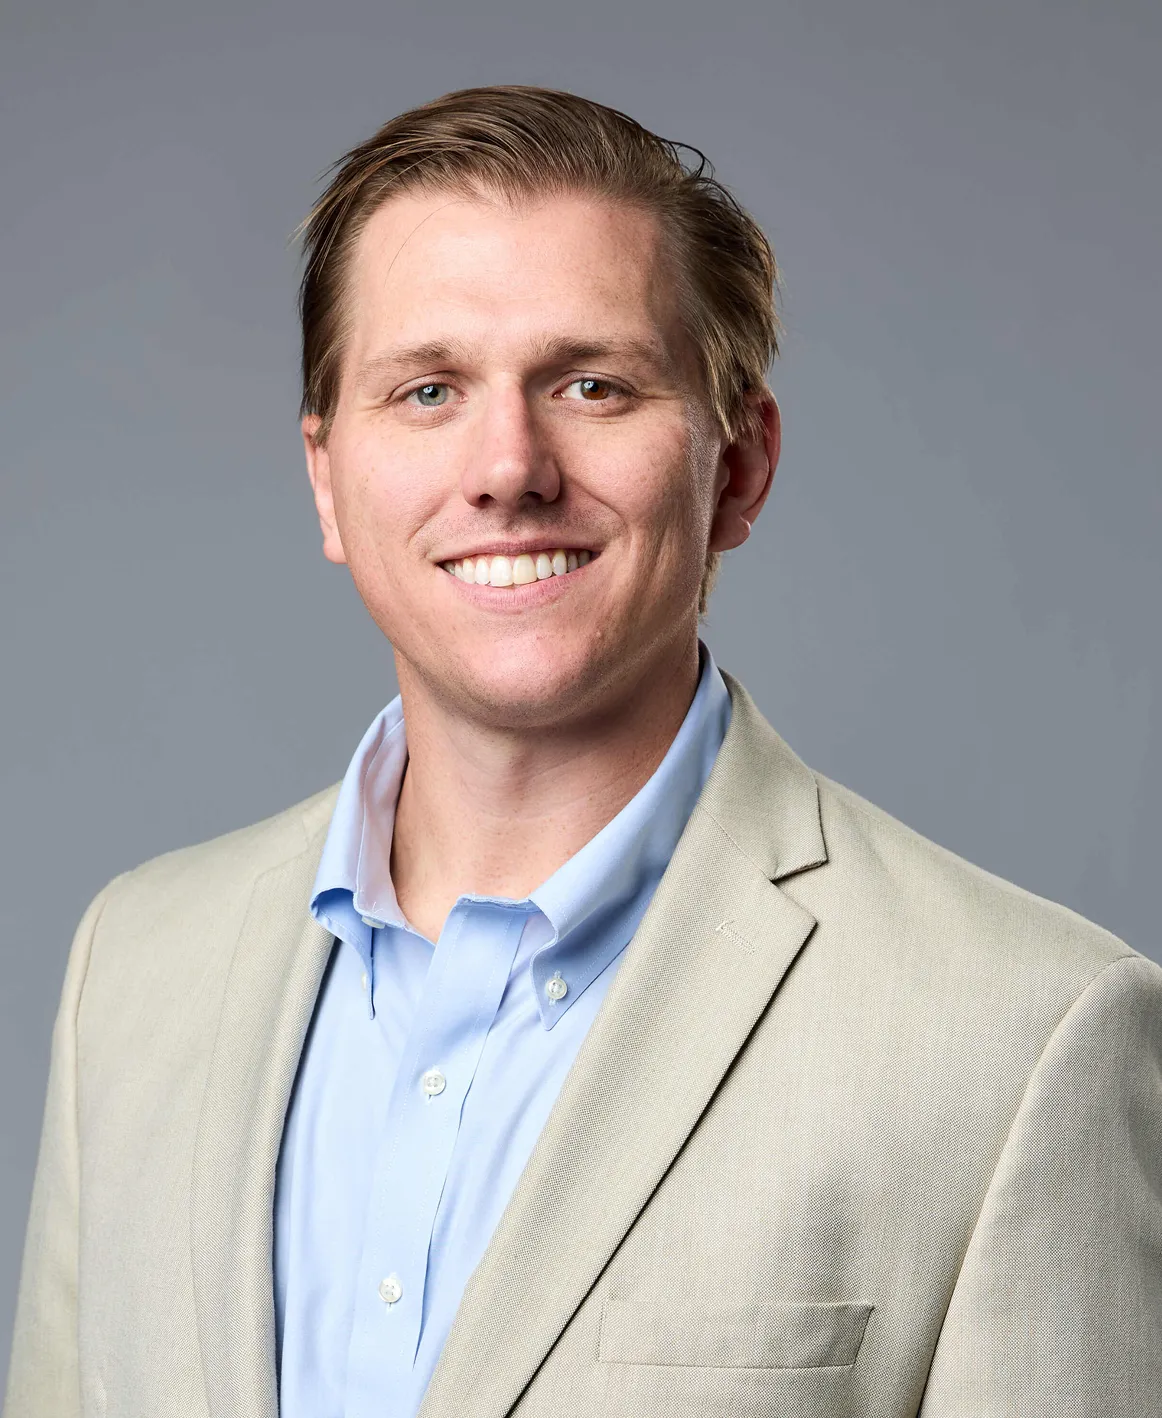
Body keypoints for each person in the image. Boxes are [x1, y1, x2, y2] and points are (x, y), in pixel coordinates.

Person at [5, 85, 1160, 1418]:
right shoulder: (135, 966)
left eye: (592, 384)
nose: (508, 465)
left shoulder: (1026, 1038)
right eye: (427, 388)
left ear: (737, 467)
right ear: (328, 479)